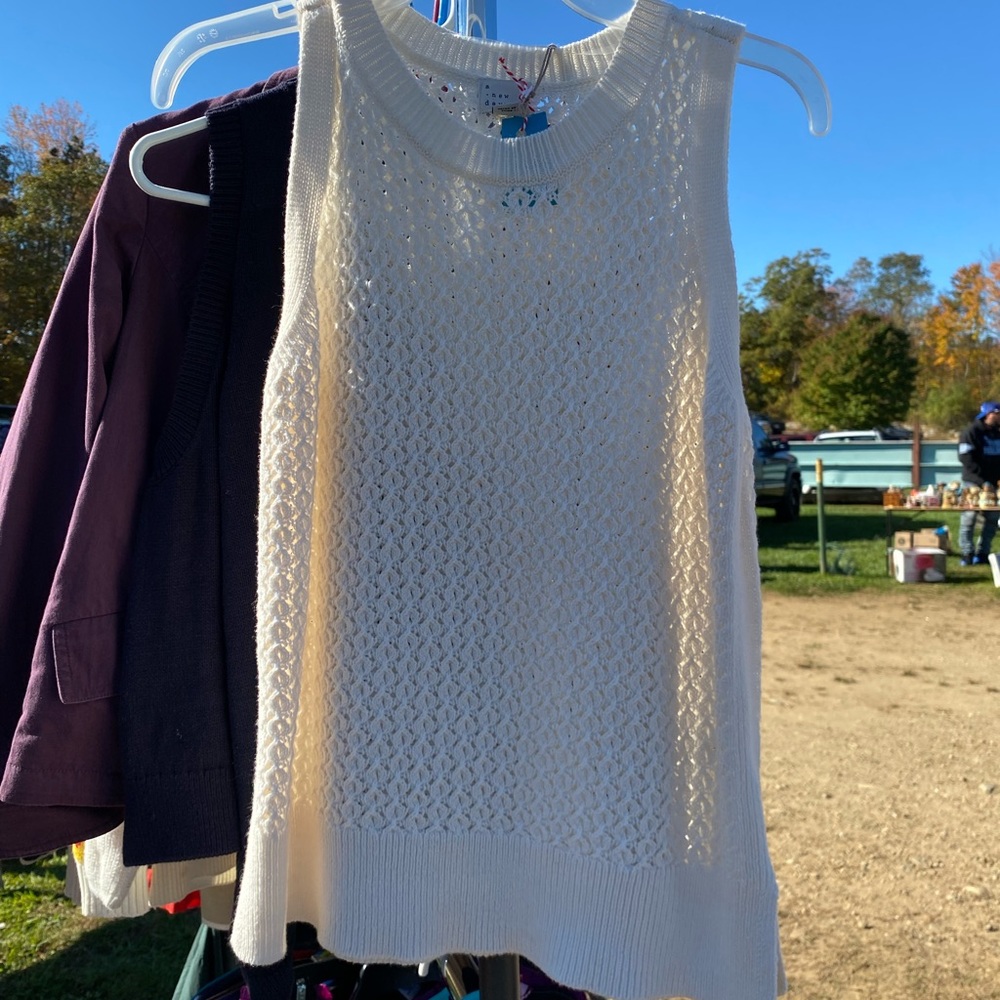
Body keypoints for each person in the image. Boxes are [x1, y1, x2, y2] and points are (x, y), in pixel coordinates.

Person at [957, 401, 1000, 565]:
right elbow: (965, 458)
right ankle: (967, 553)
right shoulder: (971, 431)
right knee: (969, 517)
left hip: (994, 484)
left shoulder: (997, 433)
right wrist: (982, 480)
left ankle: (983, 553)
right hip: (973, 482)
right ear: (990, 414)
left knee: (992, 519)